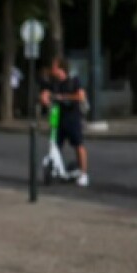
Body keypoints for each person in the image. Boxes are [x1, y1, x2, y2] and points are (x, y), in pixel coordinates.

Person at [39, 57, 89, 187]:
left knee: (78, 145)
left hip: (72, 117)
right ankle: (56, 168)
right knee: (55, 144)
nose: (52, 69)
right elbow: (45, 92)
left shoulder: (73, 80)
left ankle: (83, 174)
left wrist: (64, 97)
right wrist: (44, 98)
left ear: (61, 68)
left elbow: (81, 95)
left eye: (54, 67)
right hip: (57, 117)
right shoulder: (53, 82)